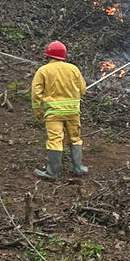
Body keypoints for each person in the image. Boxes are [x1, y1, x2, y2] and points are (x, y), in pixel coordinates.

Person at [30, 41, 88, 181]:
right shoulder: (73, 69)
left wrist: (37, 110)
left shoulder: (43, 70)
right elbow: (82, 89)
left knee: (55, 139)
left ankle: (52, 173)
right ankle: (78, 168)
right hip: (73, 112)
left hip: (53, 113)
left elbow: (36, 93)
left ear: (48, 56)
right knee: (75, 138)